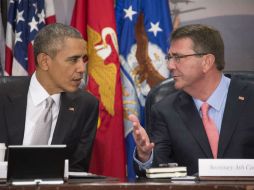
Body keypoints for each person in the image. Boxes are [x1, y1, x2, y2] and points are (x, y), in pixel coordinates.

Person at [129, 24, 254, 176]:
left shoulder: (250, 98)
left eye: (178, 57)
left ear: (206, 62)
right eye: (169, 57)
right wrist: (145, 156)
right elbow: (160, 173)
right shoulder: (165, 110)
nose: (170, 65)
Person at [0, 23, 99, 172]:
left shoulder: (86, 104)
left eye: (83, 59)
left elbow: (76, 170)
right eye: (73, 60)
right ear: (44, 61)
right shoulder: (3, 96)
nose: (82, 69)